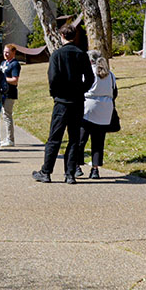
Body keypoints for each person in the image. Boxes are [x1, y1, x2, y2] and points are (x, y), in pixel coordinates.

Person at [32, 23, 94, 184]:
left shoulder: (57, 55)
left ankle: (46, 171)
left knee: (55, 137)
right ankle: (70, 173)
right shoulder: (82, 54)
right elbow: (90, 78)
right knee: (74, 138)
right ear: (75, 36)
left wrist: (55, 93)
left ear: (61, 36)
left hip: (61, 101)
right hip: (77, 100)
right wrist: (81, 90)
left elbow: (52, 78)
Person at [76, 50, 117, 180]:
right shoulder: (110, 74)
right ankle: (95, 169)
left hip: (89, 107)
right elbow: (114, 92)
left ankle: (77, 165)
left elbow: (81, 88)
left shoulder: (89, 73)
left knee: (81, 139)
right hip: (105, 109)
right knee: (98, 141)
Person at [0, 44, 21, 147]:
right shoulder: (4, 63)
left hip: (10, 93)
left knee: (7, 115)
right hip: (2, 93)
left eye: (8, 52)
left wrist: (2, 79)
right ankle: (7, 137)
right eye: (4, 52)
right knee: (4, 115)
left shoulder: (15, 64)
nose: (5, 54)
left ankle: (10, 139)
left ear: (13, 52)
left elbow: (15, 80)